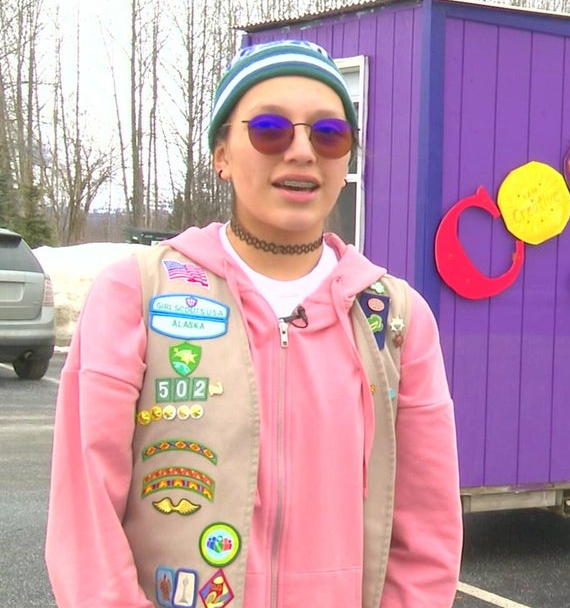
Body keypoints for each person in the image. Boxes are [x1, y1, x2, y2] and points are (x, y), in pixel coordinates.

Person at [45, 39, 462, 608]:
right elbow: (84, 524)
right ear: (222, 153)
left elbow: (427, 536)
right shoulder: (136, 295)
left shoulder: (396, 320)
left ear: (347, 162)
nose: (301, 152)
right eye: (269, 130)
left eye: (328, 134)